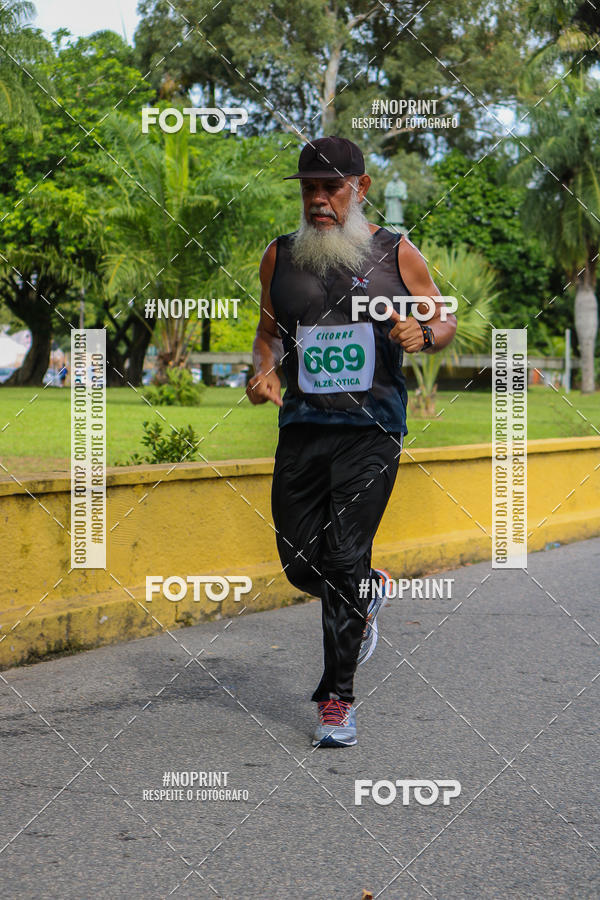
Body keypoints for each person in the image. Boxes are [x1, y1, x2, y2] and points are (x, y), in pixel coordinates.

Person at [246, 136, 457, 748]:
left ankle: (336, 702)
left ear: (359, 189)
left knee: (342, 559)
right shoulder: (279, 256)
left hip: (372, 429)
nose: (318, 199)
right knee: (298, 564)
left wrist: (425, 333)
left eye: (331, 188)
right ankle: (368, 590)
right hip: (303, 427)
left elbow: (443, 317)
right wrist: (262, 369)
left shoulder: (397, 253)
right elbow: (268, 332)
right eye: (309, 188)